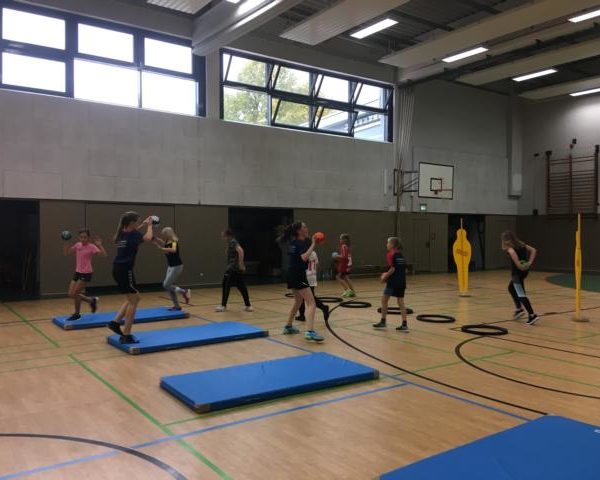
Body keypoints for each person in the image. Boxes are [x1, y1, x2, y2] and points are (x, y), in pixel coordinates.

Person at [107, 212, 154, 344]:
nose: (138, 223)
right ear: (131, 223)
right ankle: (126, 335)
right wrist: (150, 225)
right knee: (134, 300)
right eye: (137, 221)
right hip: (125, 269)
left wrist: (142, 225)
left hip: (118, 269)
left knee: (132, 298)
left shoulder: (122, 233)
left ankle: (115, 323)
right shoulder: (134, 234)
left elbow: (133, 232)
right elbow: (148, 237)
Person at [278, 222, 324, 342]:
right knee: (311, 303)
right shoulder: (301, 243)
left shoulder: (293, 243)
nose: (307, 228)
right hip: (298, 275)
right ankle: (310, 332)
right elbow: (303, 258)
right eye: (304, 227)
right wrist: (313, 244)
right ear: (299, 231)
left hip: (291, 274)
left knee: (298, 301)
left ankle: (288, 326)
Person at [62, 229, 107, 320]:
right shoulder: (77, 245)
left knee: (76, 293)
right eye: (81, 237)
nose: (83, 239)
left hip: (86, 273)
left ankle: (77, 314)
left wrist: (99, 245)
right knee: (71, 294)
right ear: (79, 237)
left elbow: (104, 255)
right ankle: (92, 301)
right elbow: (66, 253)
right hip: (77, 272)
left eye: (85, 237)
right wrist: (66, 241)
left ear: (88, 238)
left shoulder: (91, 247)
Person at [501, 231, 539, 325]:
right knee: (511, 288)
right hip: (523, 272)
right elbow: (534, 250)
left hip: (517, 274)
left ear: (505, 240)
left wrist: (522, 266)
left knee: (521, 294)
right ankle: (519, 309)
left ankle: (532, 315)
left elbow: (517, 264)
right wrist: (529, 263)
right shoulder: (522, 245)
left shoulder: (510, 249)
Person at [373, 237, 408, 332]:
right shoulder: (401, 255)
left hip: (393, 282)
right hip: (402, 282)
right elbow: (405, 270)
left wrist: (384, 277)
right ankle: (404, 324)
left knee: (384, 301)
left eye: (388, 243)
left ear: (392, 245)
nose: (386, 245)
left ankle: (383, 322)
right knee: (401, 302)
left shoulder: (390, 254)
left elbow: (392, 269)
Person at [154, 227, 191, 311]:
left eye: (164, 234)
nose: (163, 236)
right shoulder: (168, 241)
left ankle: (184, 291)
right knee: (169, 286)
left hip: (177, 266)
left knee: (166, 285)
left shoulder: (174, 241)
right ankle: (177, 306)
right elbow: (164, 243)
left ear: (168, 234)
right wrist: (156, 239)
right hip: (170, 266)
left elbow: (173, 250)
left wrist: (161, 248)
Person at [216, 229, 252, 312]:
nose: (222, 237)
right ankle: (248, 305)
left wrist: (241, 264)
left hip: (232, 268)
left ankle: (223, 306)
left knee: (226, 285)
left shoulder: (233, 242)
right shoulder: (231, 243)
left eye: (223, 235)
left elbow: (241, 251)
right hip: (235, 269)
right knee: (241, 286)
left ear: (228, 235)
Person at [296, 244, 329, 322]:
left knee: (308, 298)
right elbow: (317, 264)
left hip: (305, 277)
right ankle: (302, 315)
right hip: (312, 277)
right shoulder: (314, 252)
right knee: (305, 297)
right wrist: (314, 273)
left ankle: (324, 307)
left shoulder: (304, 253)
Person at [336, 233, 356, 297]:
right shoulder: (346, 246)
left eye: (340, 239)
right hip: (347, 263)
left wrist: (337, 256)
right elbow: (347, 256)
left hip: (344, 264)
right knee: (346, 277)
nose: (340, 240)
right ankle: (352, 291)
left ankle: (347, 290)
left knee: (338, 277)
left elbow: (344, 256)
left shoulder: (343, 246)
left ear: (344, 240)